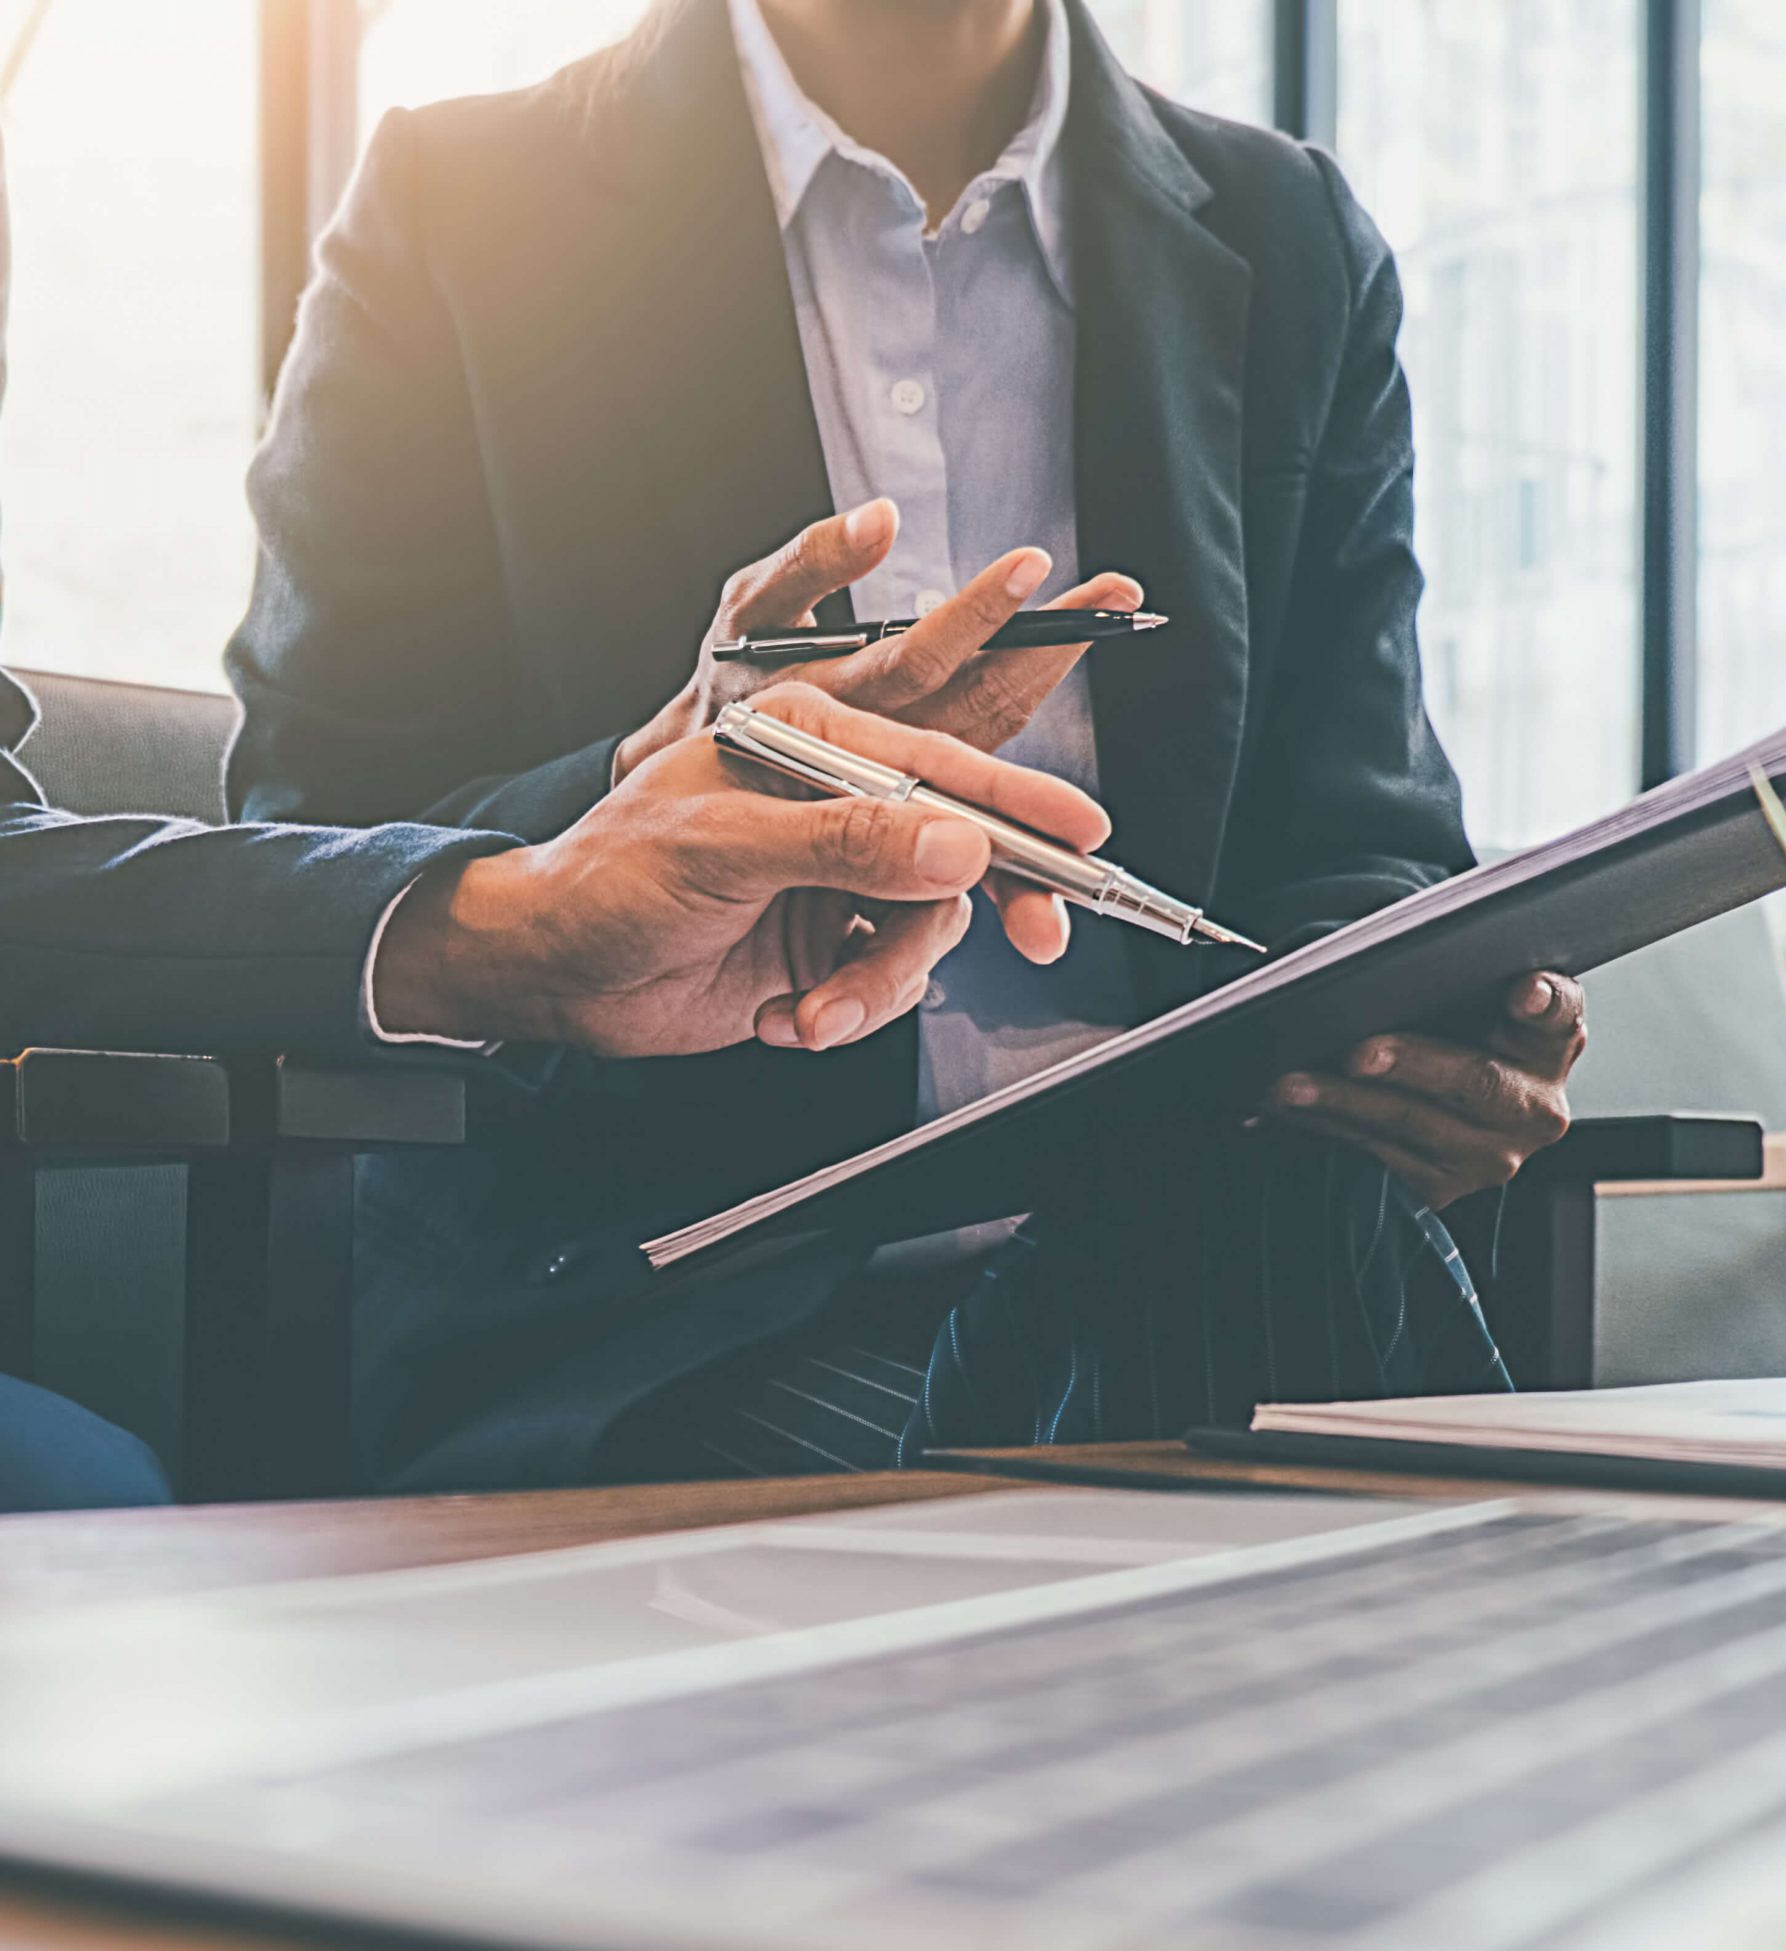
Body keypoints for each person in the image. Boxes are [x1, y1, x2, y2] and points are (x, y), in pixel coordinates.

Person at [225, 0, 1586, 1492]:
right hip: (678, 1310)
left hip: (1217, 1227)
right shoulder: (461, 208)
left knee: (1239, 1232)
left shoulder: (1287, 237)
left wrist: (1419, 1059)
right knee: (1340, 1426)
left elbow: (1358, 840)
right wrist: (644, 793)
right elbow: (320, 828)